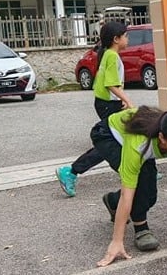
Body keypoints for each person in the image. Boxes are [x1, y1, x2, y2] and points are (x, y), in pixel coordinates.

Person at [93, 106, 167, 267]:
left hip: (141, 137)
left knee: (150, 196)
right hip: (107, 134)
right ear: (162, 138)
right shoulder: (138, 145)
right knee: (141, 180)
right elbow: (127, 193)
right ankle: (141, 229)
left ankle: (112, 201)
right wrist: (116, 241)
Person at [56, 21, 135, 197]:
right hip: (109, 104)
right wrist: (127, 101)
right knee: (109, 142)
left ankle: (137, 170)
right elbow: (111, 84)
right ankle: (71, 171)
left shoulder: (106, 53)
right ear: (116, 39)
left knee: (123, 137)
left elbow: (103, 82)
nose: (128, 39)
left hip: (105, 102)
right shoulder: (112, 56)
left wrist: (120, 100)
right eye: (125, 36)